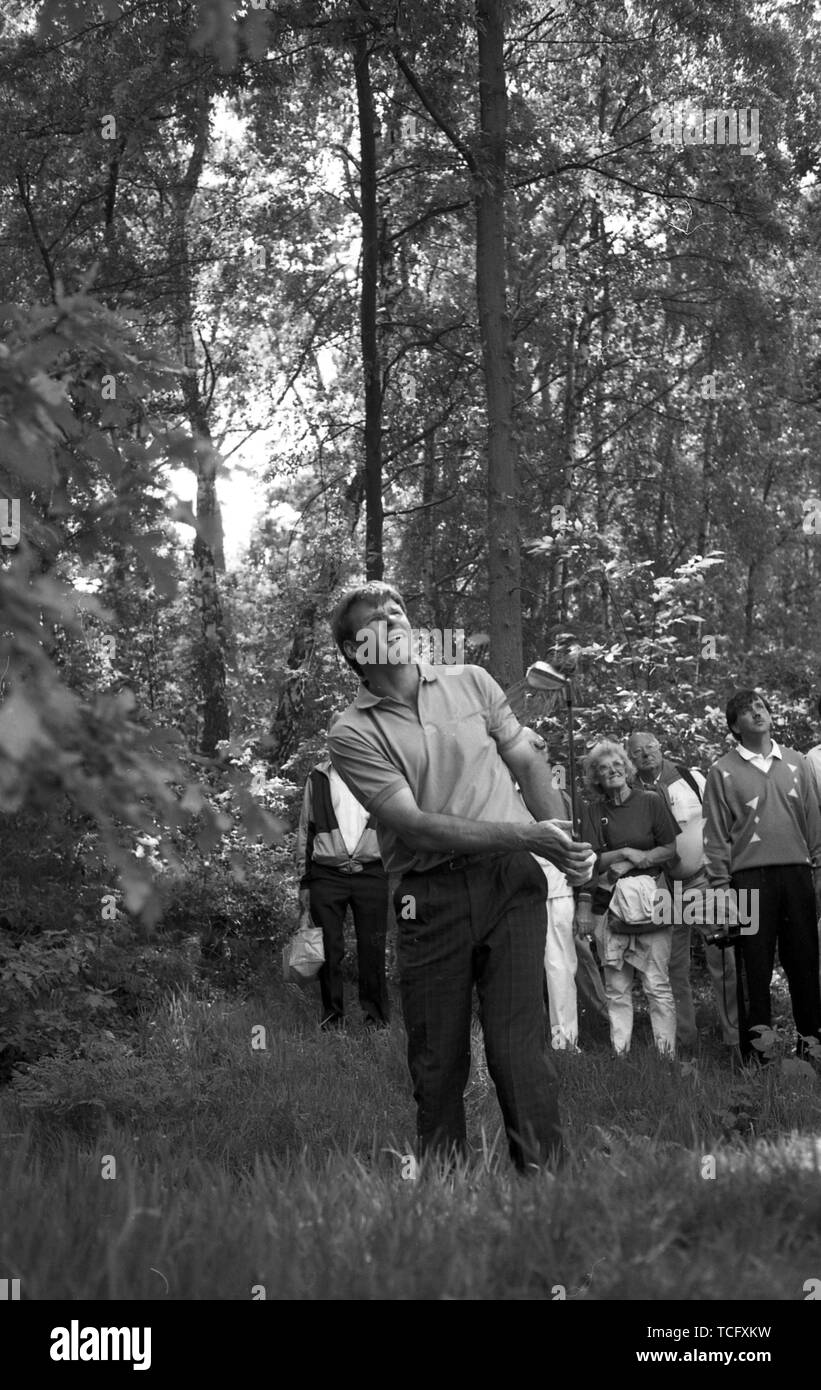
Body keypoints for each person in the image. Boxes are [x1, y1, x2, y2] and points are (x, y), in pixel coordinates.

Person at [326, 581, 595, 1172]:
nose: (390, 619)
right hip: (430, 897)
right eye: (373, 619)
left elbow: (526, 759)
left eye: (396, 610)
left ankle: (546, 1192)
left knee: (518, 1048)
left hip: (510, 884)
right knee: (437, 1058)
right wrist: (530, 835)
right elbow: (415, 827)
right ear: (353, 651)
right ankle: (445, 1197)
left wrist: (561, 838)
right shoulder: (352, 732)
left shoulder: (472, 681)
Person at [703, 689, 821, 1060]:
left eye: (760, 706)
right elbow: (715, 834)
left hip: (798, 874)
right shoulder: (721, 771)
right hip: (748, 881)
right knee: (753, 971)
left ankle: (811, 1051)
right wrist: (721, 890)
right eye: (746, 711)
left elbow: (813, 820)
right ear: (734, 726)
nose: (756, 713)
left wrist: (818, 868)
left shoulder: (797, 762)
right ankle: (760, 1058)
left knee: (804, 964)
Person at [626, 731, 739, 1050]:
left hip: (704, 882)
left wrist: (724, 868)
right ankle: (683, 1040)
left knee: (725, 958)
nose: (645, 754)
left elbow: (721, 821)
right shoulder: (630, 793)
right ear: (630, 758)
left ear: (661, 748)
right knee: (671, 967)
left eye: (650, 747)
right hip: (663, 889)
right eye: (637, 751)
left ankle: (734, 1037)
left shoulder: (692, 778)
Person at [581, 740, 679, 1056]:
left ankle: (667, 1055)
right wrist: (622, 853)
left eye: (617, 766)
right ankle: (619, 1053)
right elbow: (592, 859)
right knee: (617, 986)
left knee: (657, 984)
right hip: (608, 901)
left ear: (627, 769)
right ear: (595, 777)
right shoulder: (593, 811)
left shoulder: (651, 801)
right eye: (604, 769)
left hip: (652, 896)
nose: (612, 772)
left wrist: (639, 858)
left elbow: (669, 848)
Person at [295, 714, 390, 1031]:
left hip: (372, 873)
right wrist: (305, 881)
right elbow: (305, 831)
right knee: (329, 950)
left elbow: (396, 824)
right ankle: (332, 1017)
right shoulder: (318, 777)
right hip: (327, 875)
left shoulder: (378, 773)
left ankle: (376, 1018)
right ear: (330, 739)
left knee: (372, 947)